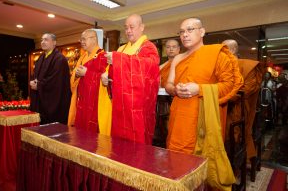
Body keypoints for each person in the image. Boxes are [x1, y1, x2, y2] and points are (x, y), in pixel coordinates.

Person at [165, 18, 243, 190]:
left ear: (202, 32)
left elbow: (230, 85)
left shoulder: (217, 54)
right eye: (181, 31)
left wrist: (199, 89)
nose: (184, 34)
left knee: (199, 166)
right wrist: (175, 89)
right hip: (179, 118)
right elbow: (168, 84)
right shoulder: (177, 58)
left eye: (190, 29)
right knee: (176, 161)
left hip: (203, 120)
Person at [101, 14, 160, 144]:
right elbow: (114, 72)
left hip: (137, 106)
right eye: (126, 27)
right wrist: (107, 76)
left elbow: (150, 67)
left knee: (136, 144)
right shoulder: (122, 48)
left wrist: (118, 59)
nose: (128, 31)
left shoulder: (148, 47)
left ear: (142, 27)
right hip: (120, 103)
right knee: (119, 143)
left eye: (132, 27)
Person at [222, 39, 263, 161]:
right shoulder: (220, 66)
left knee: (233, 132)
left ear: (233, 50)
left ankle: (234, 162)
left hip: (239, 107)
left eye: (223, 49)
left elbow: (247, 90)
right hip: (222, 105)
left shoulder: (248, 66)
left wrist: (223, 97)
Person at [73, 29, 111, 135]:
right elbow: (73, 79)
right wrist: (76, 75)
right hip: (81, 102)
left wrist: (87, 73)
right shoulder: (82, 58)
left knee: (92, 137)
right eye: (81, 39)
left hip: (95, 104)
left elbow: (107, 80)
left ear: (94, 40)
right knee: (80, 135)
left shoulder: (103, 56)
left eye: (84, 39)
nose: (82, 42)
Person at [30, 33, 71, 124]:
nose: (43, 42)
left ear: (54, 42)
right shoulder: (41, 57)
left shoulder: (60, 59)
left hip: (53, 102)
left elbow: (55, 80)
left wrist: (39, 85)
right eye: (42, 40)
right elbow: (35, 74)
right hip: (40, 99)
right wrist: (33, 81)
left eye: (46, 40)